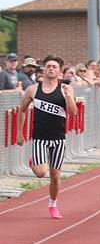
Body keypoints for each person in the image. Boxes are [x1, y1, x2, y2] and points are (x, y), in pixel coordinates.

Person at [16, 55, 78, 219]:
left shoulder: (66, 89)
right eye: (48, 66)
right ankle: (34, 161)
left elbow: (73, 113)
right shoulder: (33, 90)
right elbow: (21, 110)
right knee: (41, 173)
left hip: (58, 139)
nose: (51, 68)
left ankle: (53, 204)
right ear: (43, 69)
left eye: (54, 67)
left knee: (55, 177)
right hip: (40, 138)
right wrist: (19, 133)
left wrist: (69, 97)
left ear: (59, 71)